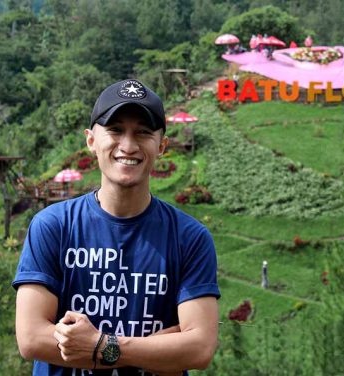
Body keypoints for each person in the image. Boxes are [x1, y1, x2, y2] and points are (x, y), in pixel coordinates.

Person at [12, 79, 220, 376]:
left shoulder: (190, 238)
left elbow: (199, 348)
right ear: (91, 140)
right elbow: (32, 339)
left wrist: (102, 345)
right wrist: (156, 349)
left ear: (161, 146)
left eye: (143, 133)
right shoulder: (54, 226)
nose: (128, 145)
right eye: (115, 130)